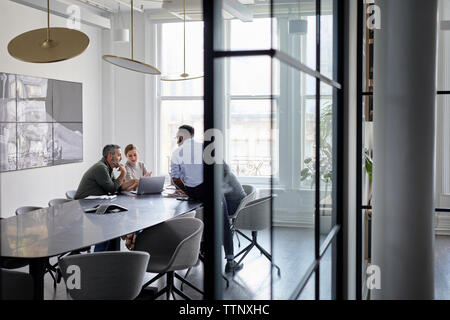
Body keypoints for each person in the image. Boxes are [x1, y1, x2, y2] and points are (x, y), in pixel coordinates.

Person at [170, 125, 245, 275]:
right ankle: (230, 261)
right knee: (223, 223)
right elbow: (222, 170)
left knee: (198, 219)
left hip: (193, 193)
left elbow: (175, 178)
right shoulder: (205, 147)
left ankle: (198, 251)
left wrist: (187, 190)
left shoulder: (176, 153)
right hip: (210, 189)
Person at [74, 144, 139, 252]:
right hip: (83, 206)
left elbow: (117, 187)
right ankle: (125, 238)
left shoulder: (107, 168)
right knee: (111, 223)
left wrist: (134, 181)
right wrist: (123, 173)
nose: (121, 158)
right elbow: (112, 189)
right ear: (110, 156)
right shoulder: (101, 168)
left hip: (95, 204)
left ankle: (125, 238)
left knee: (116, 218)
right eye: (119, 155)